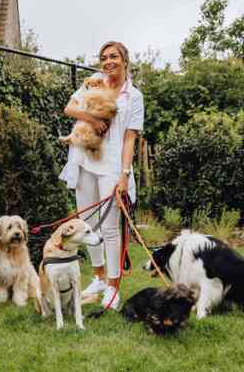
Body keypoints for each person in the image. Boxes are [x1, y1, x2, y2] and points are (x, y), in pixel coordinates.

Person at [59, 41, 144, 310]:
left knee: (109, 229)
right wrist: (92, 119)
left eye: (114, 57)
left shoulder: (134, 96)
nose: (108, 62)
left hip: (111, 168)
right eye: (104, 57)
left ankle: (112, 287)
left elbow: (130, 139)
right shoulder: (94, 81)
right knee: (87, 223)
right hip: (85, 160)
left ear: (125, 60)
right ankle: (97, 277)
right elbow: (69, 109)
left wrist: (124, 176)